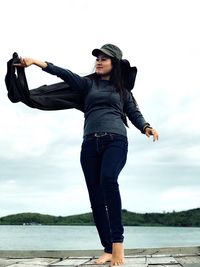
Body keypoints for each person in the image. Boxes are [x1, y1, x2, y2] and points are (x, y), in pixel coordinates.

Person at [14, 44, 159, 266]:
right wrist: (35, 62)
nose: (99, 61)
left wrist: (146, 127)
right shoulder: (88, 84)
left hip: (116, 141)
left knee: (108, 180)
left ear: (115, 64)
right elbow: (64, 73)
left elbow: (134, 112)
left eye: (104, 58)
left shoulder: (123, 91)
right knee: (96, 198)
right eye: (97, 58)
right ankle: (108, 248)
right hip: (90, 144)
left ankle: (118, 244)